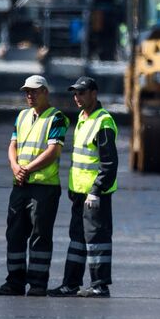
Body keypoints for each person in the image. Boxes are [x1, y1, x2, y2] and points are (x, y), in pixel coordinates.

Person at [0, 75, 68, 297]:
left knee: (39, 235)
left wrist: (27, 169)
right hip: (20, 184)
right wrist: (15, 165)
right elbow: (12, 145)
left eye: (34, 91)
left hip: (44, 187)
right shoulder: (22, 116)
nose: (29, 95)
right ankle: (15, 281)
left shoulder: (57, 118)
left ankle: (37, 283)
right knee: (14, 234)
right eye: (27, 91)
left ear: (45, 92)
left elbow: (53, 151)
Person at [50, 77, 118, 298]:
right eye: (75, 93)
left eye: (81, 93)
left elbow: (109, 163)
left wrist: (96, 190)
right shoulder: (82, 118)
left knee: (96, 240)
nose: (77, 98)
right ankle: (70, 284)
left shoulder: (103, 122)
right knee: (77, 239)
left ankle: (100, 285)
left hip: (94, 196)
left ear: (94, 94)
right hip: (80, 194)